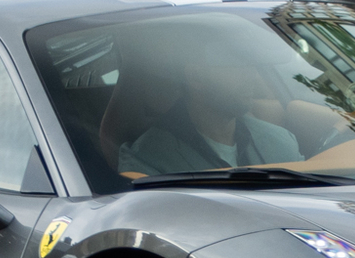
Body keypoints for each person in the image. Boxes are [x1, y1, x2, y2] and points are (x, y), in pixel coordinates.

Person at [116, 49, 300, 176]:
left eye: (252, 65)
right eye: (236, 66)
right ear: (195, 76)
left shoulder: (281, 142)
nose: (252, 76)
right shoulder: (147, 164)